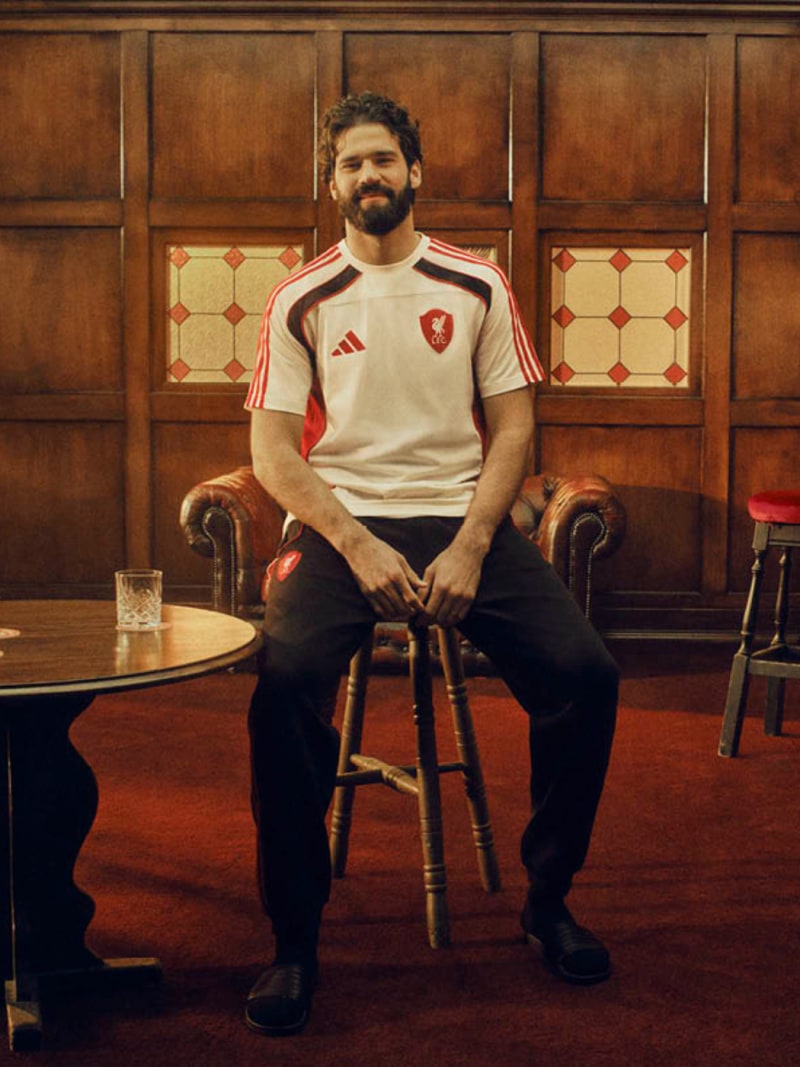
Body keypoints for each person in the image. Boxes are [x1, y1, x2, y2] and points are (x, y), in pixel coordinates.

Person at [243, 91, 618, 1037]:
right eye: (350, 163)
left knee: (586, 675)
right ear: (332, 183)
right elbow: (274, 452)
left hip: (461, 518)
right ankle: (294, 940)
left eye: (383, 159)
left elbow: (514, 429)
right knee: (282, 683)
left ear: (415, 171)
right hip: (342, 523)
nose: (368, 175)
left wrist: (472, 543)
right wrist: (356, 541)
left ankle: (547, 900)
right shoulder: (300, 296)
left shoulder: (476, 282)